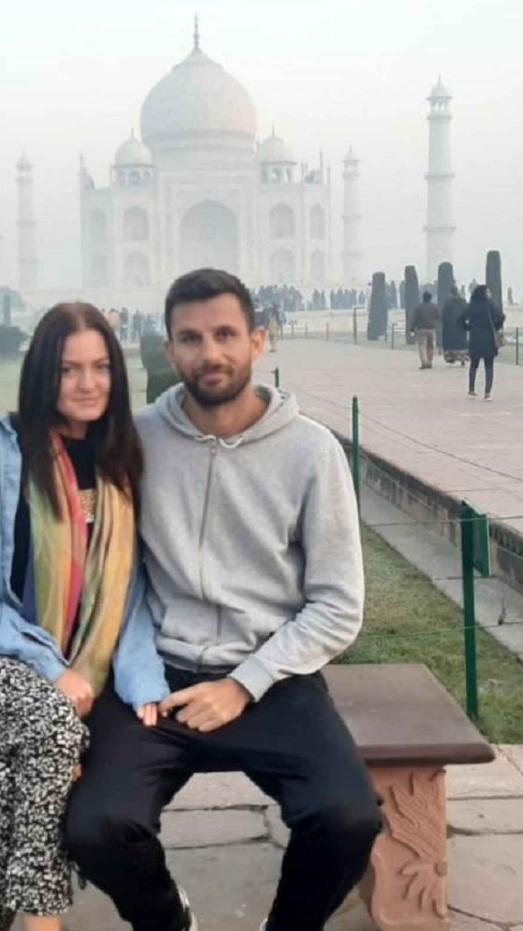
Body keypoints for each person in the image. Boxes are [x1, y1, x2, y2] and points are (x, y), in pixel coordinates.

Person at [67, 269, 380, 931]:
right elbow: (99, 559)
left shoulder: (311, 451)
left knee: (347, 817)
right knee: (97, 825)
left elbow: (337, 604)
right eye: (191, 338)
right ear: (170, 350)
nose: (210, 353)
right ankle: (169, 921)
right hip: (158, 677)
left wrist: (244, 684)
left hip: (271, 676)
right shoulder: (137, 440)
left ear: (258, 340)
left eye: (225, 334)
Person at [0, 303, 169, 931]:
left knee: (14, 766)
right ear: (41, 375)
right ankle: (40, 921)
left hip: (74, 686)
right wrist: (51, 669)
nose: (88, 384)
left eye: (101, 367)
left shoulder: (122, 461)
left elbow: (131, 594)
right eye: (68, 369)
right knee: (52, 726)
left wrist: (142, 681)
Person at [460, 284, 504, 400]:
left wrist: (468, 328)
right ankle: (487, 393)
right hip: (488, 338)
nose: (490, 294)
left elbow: (461, 320)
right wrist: (495, 326)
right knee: (489, 366)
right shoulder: (489, 305)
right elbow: (501, 316)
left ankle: (471, 390)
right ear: (484, 293)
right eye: (488, 292)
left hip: (475, 338)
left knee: (473, 365)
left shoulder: (471, 306)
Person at [440, 283, 469, 365]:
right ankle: (463, 358)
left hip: (451, 326)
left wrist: (445, 323)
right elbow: (467, 311)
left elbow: (444, 315)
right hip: (461, 325)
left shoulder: (448, 303)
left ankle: (451, 357)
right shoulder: (462, 301)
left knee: (451, 343)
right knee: (462, 342)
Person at [413, 290, 441, 368]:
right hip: (431, 329)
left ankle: (424, 361)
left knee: (422, 346)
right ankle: (430, 361)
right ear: (430, 298)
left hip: (421, 329)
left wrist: (412, 328)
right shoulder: (435, 307)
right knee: (430, 346)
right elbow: (438, 317)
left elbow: (415, 318)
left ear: (423, 298)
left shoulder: (419, 307)